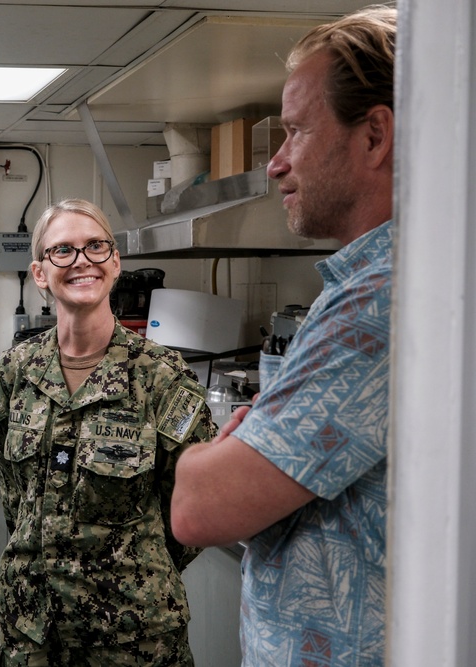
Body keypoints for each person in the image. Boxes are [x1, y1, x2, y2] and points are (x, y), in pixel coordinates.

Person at [170, 6, 395, 666]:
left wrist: (201, 458)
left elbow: (197, 507)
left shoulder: (375, 302)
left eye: (296, 131)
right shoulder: (376, 283)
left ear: (373, 135)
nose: (276, 164)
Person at [0, 198, 215, 666]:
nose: (81, 260)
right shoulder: (13, 372)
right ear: (40, 273)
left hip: (132, 639)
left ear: (115, 262)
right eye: (62, 251)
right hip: (30, 634)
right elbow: (16, 497)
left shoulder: (161, 376)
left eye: (95, 247)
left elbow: (192, 510)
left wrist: (130, 573)